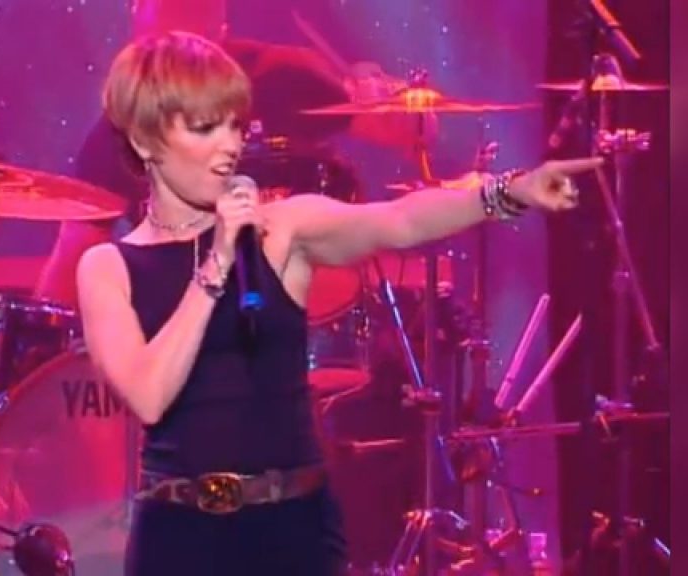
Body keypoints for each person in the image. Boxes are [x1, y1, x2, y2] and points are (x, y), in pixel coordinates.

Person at [75, 30, 600, 575]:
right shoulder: (108, 268)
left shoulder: (280, 231)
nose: (230, 146)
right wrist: (215, 265)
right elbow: (149, 396)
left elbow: (398, 222)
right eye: (207, 128)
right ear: (145, 140)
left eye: (234, 125)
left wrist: (507, 193)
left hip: (292, 529)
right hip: (180, 537)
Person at [34, 0, 436, 308]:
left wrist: (389, 100)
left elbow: (415, 129)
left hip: (306, 300)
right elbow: (73, 257)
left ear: (220, 30)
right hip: (184, 326)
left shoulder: (282, 76)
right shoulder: (119, 129)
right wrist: (37, 352)